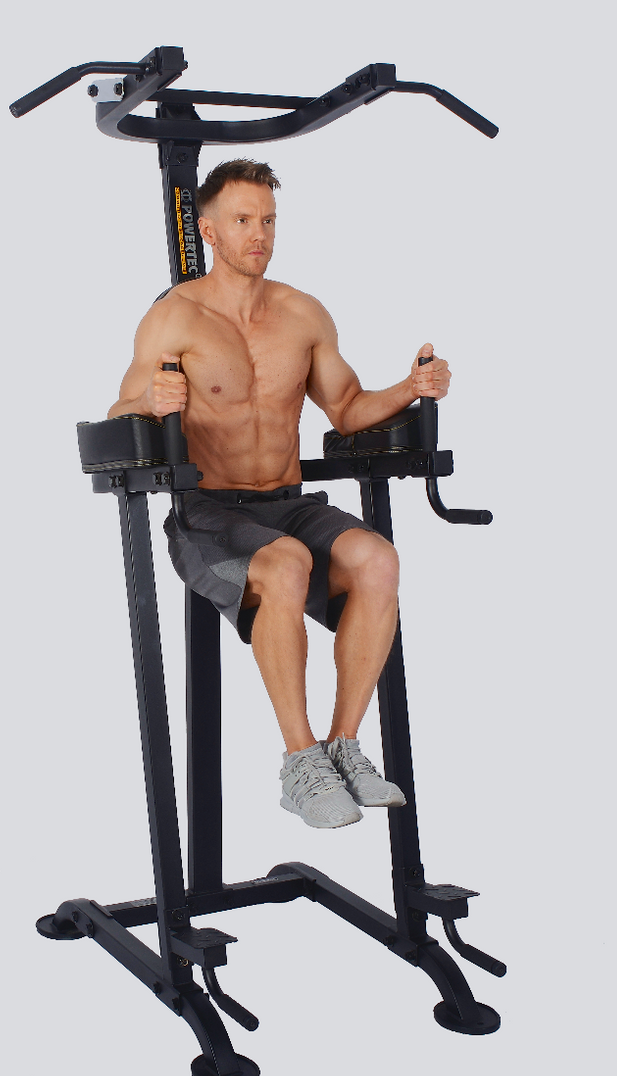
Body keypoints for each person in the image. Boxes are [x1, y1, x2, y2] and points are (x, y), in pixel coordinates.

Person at [108, 160, 451, 830]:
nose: (258, 234)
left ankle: (343, 747)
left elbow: (347, 408)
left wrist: (411, 388)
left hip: (289, 503)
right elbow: (121, 408)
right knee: (287, 562)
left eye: (267, 220)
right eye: (242, 220)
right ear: (208, 231)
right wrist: (149, 398)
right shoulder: (174, 318)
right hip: (208, 513)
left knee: (377, 560)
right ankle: (301, 763)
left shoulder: (302, 313)